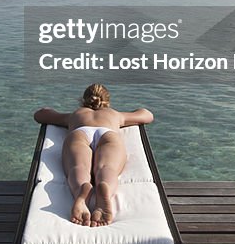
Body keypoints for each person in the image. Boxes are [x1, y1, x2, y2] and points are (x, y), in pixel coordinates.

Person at [33, 84, 154, 227]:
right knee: (107, 168)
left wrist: (51, 111)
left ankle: (81, 191)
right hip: (108, 134)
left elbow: (40, 115)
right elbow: (147, 115)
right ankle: (105, 188)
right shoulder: (114, 114)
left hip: (80, 133)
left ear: (83, 100)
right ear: (107, 101)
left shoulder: (75, 114)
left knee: (78, 167)